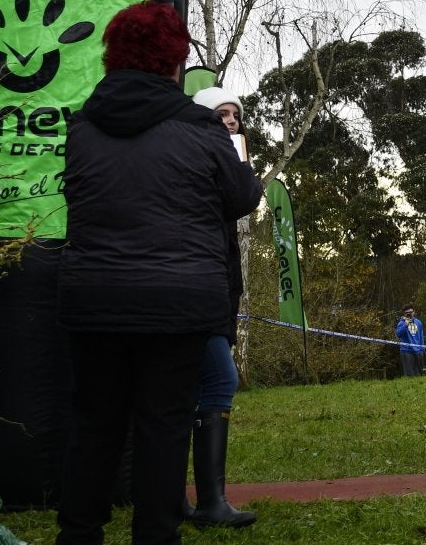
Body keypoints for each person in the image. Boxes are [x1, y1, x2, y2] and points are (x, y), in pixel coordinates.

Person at [56, 1, 263, 544]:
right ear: (174, 62)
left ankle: (77, 535)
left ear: (112, 57)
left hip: (95, 298)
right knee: (164, 426)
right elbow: (243, 197)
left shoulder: (82, 127)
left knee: (94, 425)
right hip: (178, 302)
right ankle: (155, 536)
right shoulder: (202, 129)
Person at [180, 86, 256, 528]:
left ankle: (179, 497)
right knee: (220, 379)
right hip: (196, 288)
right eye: (221, 114)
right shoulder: (196, 160)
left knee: (186, 390)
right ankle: (210, 501)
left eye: (235, 115)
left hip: (215, 289)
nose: (230, 120)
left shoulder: (222, 160)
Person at [397, 305, 425, 377]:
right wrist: (405, 325)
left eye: (411, 312)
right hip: (406, 351)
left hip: (418, 351)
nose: (409, 314)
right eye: (407, 313)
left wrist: (422, 349)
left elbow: (421, 336)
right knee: (409, 375)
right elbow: (398, 334)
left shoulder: (418, 322)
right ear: (404, 314)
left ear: (414, 312)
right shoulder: (401, 323)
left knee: (420, 374)